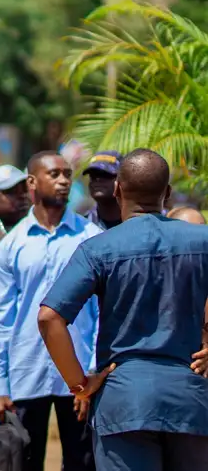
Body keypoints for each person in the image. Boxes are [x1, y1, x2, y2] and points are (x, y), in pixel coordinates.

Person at [39, 149, 208, 470]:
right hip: (191, 400)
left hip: (124, 402)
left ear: (117, 190)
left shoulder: (98, 248)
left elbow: (49, 318)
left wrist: (79, 385)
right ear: (167, 194)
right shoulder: (202, 240)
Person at [0, 151, 101, 471]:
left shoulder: (91, 239)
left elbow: (102, 312)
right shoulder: (13, 245)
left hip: (79, 376)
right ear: (33, 182)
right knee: (24, 462)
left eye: (67, 174)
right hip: (26, 372)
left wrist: (91, 373)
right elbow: (1, 317)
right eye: (54, 174)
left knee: (82, 463)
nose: (64, 180)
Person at [83, 151, 122, 230]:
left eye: (105, 174)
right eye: (93, 176)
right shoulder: (82, 226)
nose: (98, 179)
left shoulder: (137, 222)